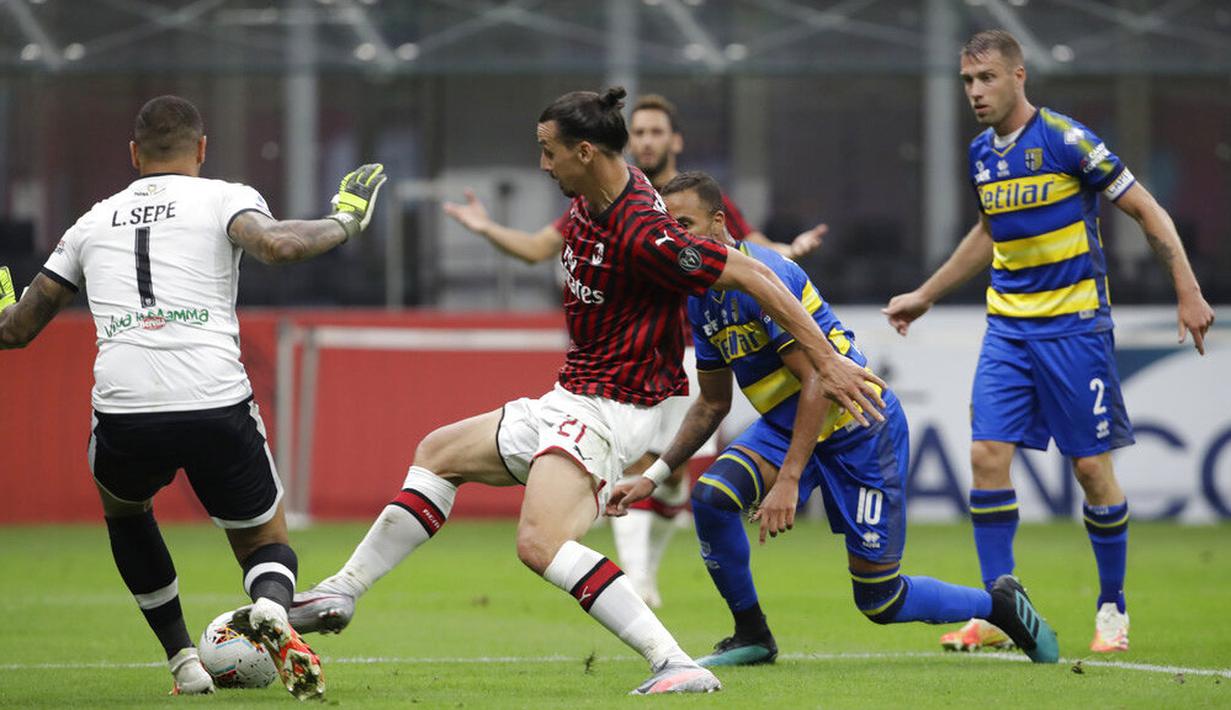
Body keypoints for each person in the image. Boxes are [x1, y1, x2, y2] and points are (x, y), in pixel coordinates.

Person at [289, 87, 886, 695]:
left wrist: (826, 359)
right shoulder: (587, 199)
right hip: (572, 393)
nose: (542, 165)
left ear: (583, 151)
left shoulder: (645, 233)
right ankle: (341, 593)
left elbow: (752, 270)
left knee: (539, 543)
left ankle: (675, 662)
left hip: (616, 404)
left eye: (548, 153)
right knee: (438, 451)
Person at [0, 95, 387, 699]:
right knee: (264, 538)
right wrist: (345, 221)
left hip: (126, 410)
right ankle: (270, 609)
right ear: (202, 150)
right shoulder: (224, 197)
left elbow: (15, 331)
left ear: (134, 155)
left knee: (126, 512)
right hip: (214, 401)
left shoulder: (91, 221)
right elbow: (280, 246)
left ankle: (183, 660)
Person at [608, 170, 1059, 668]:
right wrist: (654, 475)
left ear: (719, 223)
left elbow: (820, 379)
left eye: (686, 224)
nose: (677, 239)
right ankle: (752, 635)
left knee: (881, 601)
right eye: (669, 229)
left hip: (860, 427)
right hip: (788, 425)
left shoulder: (763, 278)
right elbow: (712, 404)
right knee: (713, 499)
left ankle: (999, 605)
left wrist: (790, 480)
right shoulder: (700, 296)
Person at [883, 30, 1215, 654]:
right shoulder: (982, 152)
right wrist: (927, 293)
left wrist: (1188, 289)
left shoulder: (1068, 140)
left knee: (1091, 469)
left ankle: (1112, 604)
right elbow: (989, 230)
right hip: (1007, 328)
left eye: (985, 79)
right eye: (966, 82)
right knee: (986, 457)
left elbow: (1147, 210)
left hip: (1076, 329)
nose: (975, 92)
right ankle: (999, 611)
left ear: (1018, 77)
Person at [442, 93, 829, 609]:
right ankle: (640, 581)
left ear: (674, 140)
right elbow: (540, 249)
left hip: (694, 354)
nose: (646, 140)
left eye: (655, 132)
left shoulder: (688, 197)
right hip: (636, 364)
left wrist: (787, 256)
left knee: (668, 482)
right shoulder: (601, 199)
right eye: (640, 132)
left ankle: (645, 569)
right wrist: (487, 228)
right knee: (644, 462)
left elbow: (742, 249)